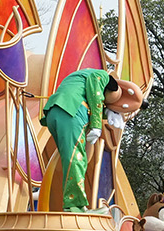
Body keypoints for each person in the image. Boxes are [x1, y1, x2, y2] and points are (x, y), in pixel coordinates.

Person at [37, 69, 143, 212]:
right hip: (72, 112)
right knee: (76, 159)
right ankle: (75, 206)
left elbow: (91, 96)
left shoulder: (80, 78)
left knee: (73, 159)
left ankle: (74, 203)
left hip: (56, 113)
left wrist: (105, 113)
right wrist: (96, 124)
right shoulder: (102, 76)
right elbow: (96, 96)